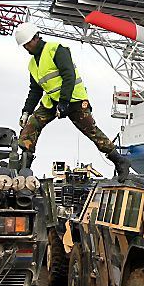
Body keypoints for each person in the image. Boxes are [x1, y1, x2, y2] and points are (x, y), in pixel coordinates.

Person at [13, 22, 130, 181]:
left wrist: (64, 102)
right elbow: (35, 90)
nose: (26, 48)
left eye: (27, 43)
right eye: (24, 45)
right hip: (51, 102)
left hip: (74, 99)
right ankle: (24, 169)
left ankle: (120, 161)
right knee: (29, 128)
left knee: (92, 131)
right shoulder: (32, 64)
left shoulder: (57, 50)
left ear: (35, 38)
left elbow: (69, 76)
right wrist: (26, 111)